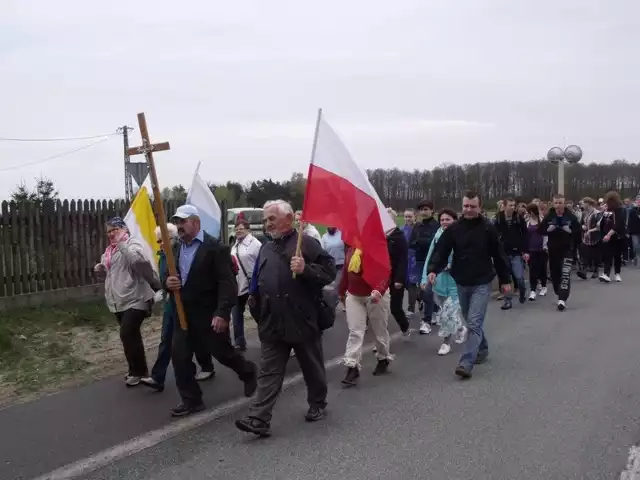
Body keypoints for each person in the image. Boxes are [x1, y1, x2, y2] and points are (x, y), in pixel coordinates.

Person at [236, 200, 335, 437]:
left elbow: (329, 272)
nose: (267, 223)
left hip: (301, 318)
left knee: (311, 366)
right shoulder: (266, 248)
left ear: (288, 219)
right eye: (266, 219)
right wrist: (255, 302)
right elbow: (257, 279)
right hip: (272, 320)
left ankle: (318, 403)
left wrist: (306, 270)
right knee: (269, 371)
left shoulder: (307, 243)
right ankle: (259, 418)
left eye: (272, 218)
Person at [165, 205, 258, 417]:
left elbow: (227, 283)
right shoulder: (176, 248)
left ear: (196, 222)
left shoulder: (215, 248)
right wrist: (168, 283)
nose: (179, 226)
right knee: (179, 356)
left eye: (183, 221)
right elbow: (170, 277)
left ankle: (248, 371)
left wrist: (223, 312)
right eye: (177, 222)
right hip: (182, 313)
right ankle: (191, 400)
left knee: (222, 353)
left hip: (209, 313)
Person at [427, 191, 511, 380]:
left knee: (473, 322)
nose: (468, 209)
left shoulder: (488, 229)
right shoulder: (454, 229)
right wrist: (433, 269)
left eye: (472, 206)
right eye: (465, 206)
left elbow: (499, 255)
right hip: (461, 281)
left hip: (482, 281)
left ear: (479, 207)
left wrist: (505, 280)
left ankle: (466, 363)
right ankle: (482, 348)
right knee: (469, 319)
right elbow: (441, 250)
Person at [141, 224, 215, 392]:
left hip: (188, 302)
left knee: (194, 337)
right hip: (171, 304)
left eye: (163, 240)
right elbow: (164, 279)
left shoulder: (179, 253)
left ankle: (207, 366)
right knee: (166, 339)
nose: (160, 243)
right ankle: (158, 377)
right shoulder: (163, 256)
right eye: (158, 240)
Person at [94, 217, 161, 387]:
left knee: (127, 333)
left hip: (136, 297)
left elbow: (138, 262)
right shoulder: (109, 251)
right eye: (108, 231)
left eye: (114, 229)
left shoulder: (132, 244)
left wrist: (122, 245)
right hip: (118, 300)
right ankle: (134, 370)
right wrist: (100, 270)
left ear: (124, 229)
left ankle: (140, 372)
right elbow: (109, 275)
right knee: (129, 337)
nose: (111, 234)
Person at [339, 232, 394, 387]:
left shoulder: (378, 247)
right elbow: (346, 270)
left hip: (375, 295)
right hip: (354, 295)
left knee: (379, 330)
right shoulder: (351, 247)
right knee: (355, 331)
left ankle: (383, 357)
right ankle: (352, 366)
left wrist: (379, 290)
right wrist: (341, 290)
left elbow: (385, 270)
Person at [422, 208, 467, 356]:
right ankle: (460, 328)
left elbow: (467, 257)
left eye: (448, 219)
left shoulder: (462, 235)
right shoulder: (437, 236)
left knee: (448, 313)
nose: (444, 222)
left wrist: (452, 265)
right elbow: (430, 257)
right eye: (442, 220)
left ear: (454, 220)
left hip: (456, 282)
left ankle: (446, 343)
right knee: (445, 312)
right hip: (439, 282)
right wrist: (425, 277)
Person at [538, 194, 581, 311]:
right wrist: (548, 230)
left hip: (567, 249)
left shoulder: (570, 216)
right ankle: (558, 292)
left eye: (560, 203)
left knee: (565, 274)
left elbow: (579, 232)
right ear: (553, 203)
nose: (558, 205)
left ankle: (562, 299)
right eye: (556, 203)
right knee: (555, 274)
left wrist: (570, 231)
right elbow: (540, 230)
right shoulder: (549, 216)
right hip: (553, 250)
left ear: (564, 203)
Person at [230, 220, 262, 351]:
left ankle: (269, 339)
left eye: (241, 228)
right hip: (238, 286)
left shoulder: (256, 244)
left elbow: (260, 264)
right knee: (236, 314)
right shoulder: (235, 245)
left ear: (248, 230)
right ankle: (239, 342)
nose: (238, 230)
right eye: (236, 229)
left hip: (252, 286)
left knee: (259, 315)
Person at [409, 200, 440, 334]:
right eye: (422, 209)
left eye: (426, 209)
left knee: (427, 290)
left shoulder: (436, 226)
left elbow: (434, 243)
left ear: (432, 210)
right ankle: (436, 309)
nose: (424, 212)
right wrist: (421, 243)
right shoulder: (417, 226)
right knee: (421, 292)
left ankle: (426, 321)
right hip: (420, 260)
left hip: (432, 262)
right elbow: (411, 243)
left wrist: (420, 242)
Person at [494, 197, 529, 308]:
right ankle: (507, 300)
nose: (513, 207)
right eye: (510, 205)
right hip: (503, 253)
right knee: (506, 279)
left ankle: (522, 292)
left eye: (514, 205)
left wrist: (525, 251)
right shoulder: (498, 218)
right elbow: (493, 236)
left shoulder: (518, 218)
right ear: (504, 206)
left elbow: (525, 235)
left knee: (519, 277)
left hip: (516, 253)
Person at [385, 209, 410, 336]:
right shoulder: (379, 235)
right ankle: (382, 338)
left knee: (395, 308)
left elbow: (403, 260)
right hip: (382, 277)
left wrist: (399, 279)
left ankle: (405, 327)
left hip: (395, 277)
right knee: (379, 309)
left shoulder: (399, 237)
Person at [599, 190, 626, 283]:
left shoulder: (620, 210)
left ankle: (617, 273)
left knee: (617, 255)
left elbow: (618, 225)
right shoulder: (607, 211)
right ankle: (606, 274)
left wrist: (609, 234)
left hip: (617, 236)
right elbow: (602, 224)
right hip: (607, 236)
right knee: (607, 255)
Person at [525, 203, 548, 300]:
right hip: (531, 249)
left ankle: (543, 286)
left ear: (532, 211)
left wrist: (545, 246)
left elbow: (546, 235)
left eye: (529, 211)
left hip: (541, 249)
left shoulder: (542, 220)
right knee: (532, 270)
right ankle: (533, 290)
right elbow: (526, 236)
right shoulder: (527, 222)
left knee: (542, 269)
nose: (527, 213)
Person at [577, 197, 603, 280]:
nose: (582, 205)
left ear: (588, 204)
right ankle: (583, 271)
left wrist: (590, 230)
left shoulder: (597, 213)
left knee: (595, 255)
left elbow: (599, 226)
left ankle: (596, 270)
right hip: (585, 237)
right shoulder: (584, 213)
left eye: (583, 203)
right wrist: (582, 227)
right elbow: (581, 223)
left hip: (595, 237)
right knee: (584, 253)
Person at [402, 209, 420, 317]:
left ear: (415, 217)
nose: (408, 219)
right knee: (407, 285)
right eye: (406, 217)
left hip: (414, 259)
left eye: (410, 216)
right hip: (404, 259)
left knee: (412, 283)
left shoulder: (418, 229)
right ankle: (419, 297)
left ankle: (411, 308)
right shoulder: (402, 229)